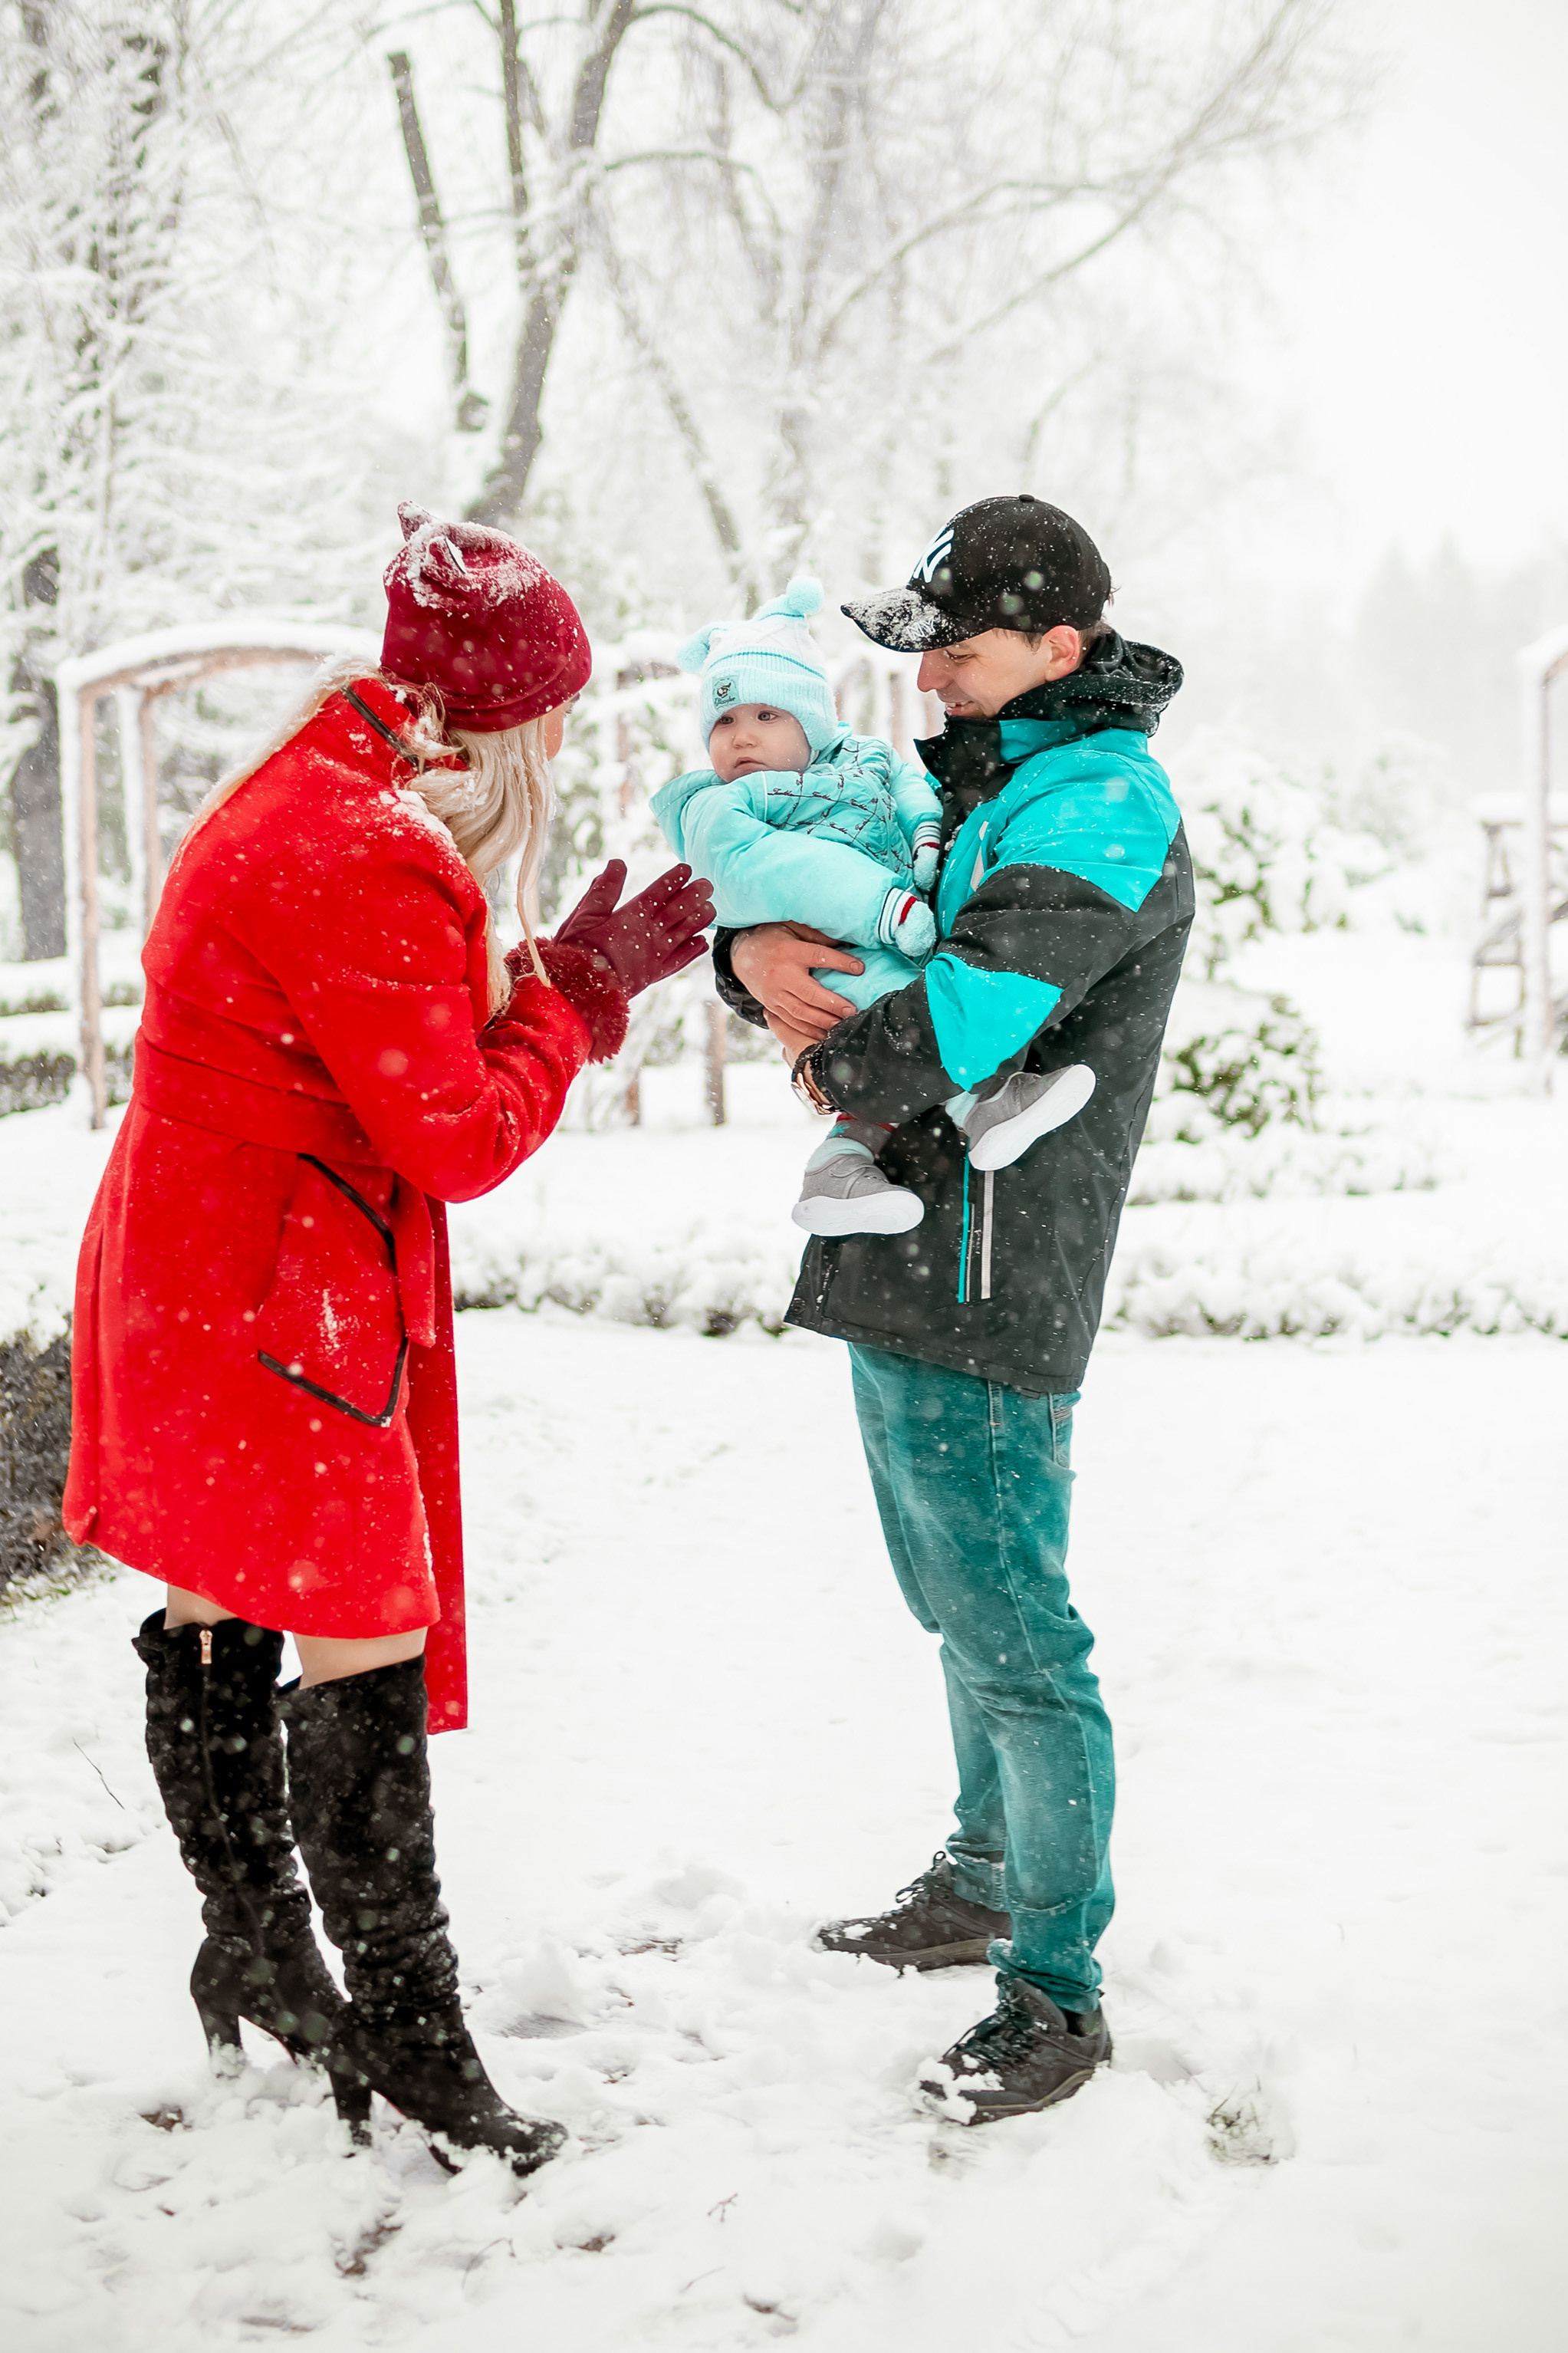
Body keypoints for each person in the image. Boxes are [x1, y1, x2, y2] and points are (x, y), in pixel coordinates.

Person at [63, 505, 713, 2177]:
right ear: (509, 728)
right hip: (281, 1295)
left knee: (212, 1594)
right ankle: (414, 2042)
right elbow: (455, 1139)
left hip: (190, 1260)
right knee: (362, 1632)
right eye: (553, 724)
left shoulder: (310, 783)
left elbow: (376, 1049)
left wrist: (550, 972)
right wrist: (574, 995)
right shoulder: (373, 851)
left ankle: (258, 1943)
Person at [712, 494, 1192, 2122]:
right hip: (910, 1248)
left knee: (1016, 1636)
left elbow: (967, 1006)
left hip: (994, 1269)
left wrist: (811, 1044)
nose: (924, 684)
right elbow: (846, 911)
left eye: (956, 652)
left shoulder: (1101, 803)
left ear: (1059, 647)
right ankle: (985, 1867)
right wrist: (752, 957)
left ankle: (1053, 1984)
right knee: (950, 1605)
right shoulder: (985, 774)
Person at [653, 578, 1094, 1239]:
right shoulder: (721, 801)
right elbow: (762, 871)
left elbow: (909, 790)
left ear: (813, 720)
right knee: (891, 1005)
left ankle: (840, 1166)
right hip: (844, 945)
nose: (741, 738)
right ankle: (983, 1106)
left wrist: (921, 838)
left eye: (766, 716)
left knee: (897, 1021)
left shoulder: (863, 761)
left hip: (890, 932)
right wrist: (872, 910)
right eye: (723, 721)